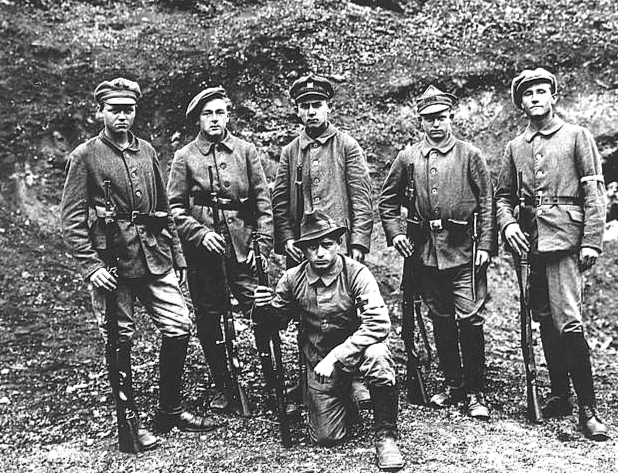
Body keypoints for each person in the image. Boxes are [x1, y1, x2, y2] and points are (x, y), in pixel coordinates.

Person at [61, 78, 220, 452]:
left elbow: (164, 208)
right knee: (119, 339)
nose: (122, 116)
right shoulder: (85, 156)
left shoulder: (146, 151)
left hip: (154, 256)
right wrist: (91, 266)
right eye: (114, 109)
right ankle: (129, 422)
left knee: (179, 326)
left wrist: (177, 255)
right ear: (100, 112)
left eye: (128, 110)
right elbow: (70, 220)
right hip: (112, 264)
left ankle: (169, 411)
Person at [495, 68, 609, 440]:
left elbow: (594, 192)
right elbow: (503, 197)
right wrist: (508, 225)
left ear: (553, 97)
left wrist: (591, 240)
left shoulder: (577, 136)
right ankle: (560, 394)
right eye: (528, 94)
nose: (535, 98)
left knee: (569, 321)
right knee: (544, 318)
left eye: (541, 91)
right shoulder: (516, 147)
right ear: (521, 103)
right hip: (530, 244)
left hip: (565, 241)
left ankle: (588, 410)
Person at [254, 209, 404, 471]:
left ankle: (386, 437)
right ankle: (347, 398)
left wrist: (336, 356)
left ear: (338, 244)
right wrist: (261, 309)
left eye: (326, 244)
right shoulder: (293, 279)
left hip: (357, 356)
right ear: (304, 251)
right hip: (319, 364)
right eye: (312, 247)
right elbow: (274, 324)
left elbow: (378, 323)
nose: (320, 253)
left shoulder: (357, 274)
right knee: (326, 437)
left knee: (378, 356)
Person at [379, 85, 496, 419]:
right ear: (420, 121)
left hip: (463, 251)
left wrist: (486, 246)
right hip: (426, 254)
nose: (436, 124)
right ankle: (454, 385)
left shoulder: (469, 155)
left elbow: (487, 202)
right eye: (429, 118)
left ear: (451, 117)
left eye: (441, 117)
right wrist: (396, 235)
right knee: (440, 319)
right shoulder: (409, 157)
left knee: (470, 318)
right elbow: (387, 201)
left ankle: (476, 391)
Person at [167, 86, 273, 412]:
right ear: (198, 119)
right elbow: (174, 209)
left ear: (228, 116)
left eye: (220, 113)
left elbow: (263, 203)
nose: (214, 119)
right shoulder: (185, 157)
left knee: (261, 311)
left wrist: (261, 244)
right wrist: (199, 234)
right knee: (209, 318)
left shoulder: (245, 151)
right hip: (204, 255)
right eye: (207, 114)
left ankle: (274, 384)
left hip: (243, 249)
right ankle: (224, 386)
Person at [271, 73, 374, 408]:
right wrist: (287, 237)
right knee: (307, 314)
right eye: (305, 106)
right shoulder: (290, 152)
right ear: (297, 111)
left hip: (338, 247)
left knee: (347, 310)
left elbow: (361, 197)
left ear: (328, 107)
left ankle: (353, 376)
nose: (312, 111)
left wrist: (358, 241)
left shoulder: (346, 146)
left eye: (317, 105)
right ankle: (307, 380)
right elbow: (280, 201)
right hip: (305, 248)